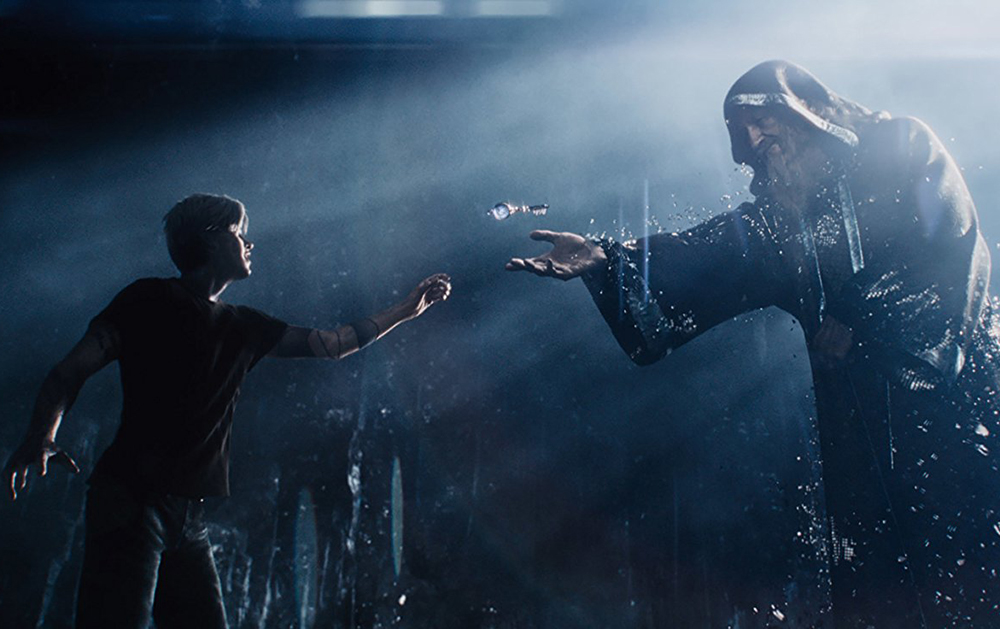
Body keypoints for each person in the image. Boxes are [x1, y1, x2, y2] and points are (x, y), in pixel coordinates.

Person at [508, 60, 1000, 627]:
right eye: (740, 132)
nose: (755, 139)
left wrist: (861, 323)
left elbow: (950, 249)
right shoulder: (781, 221)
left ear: (804, 111)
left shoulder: (901, 144)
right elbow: (706, 253)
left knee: (966, 552)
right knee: (876, 575)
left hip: (950, 400)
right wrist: (608, 258)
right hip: (856, 420)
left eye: (762, 119)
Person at [2, 193, 451, 629]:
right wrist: (42, 434)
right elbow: (69, 371)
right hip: (130, 502)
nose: (249, 243)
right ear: (210, 238)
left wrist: (406, 310)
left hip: (188, 519)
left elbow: (331, 344)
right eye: (239, 232)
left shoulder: (244, 326)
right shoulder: (148, 299)